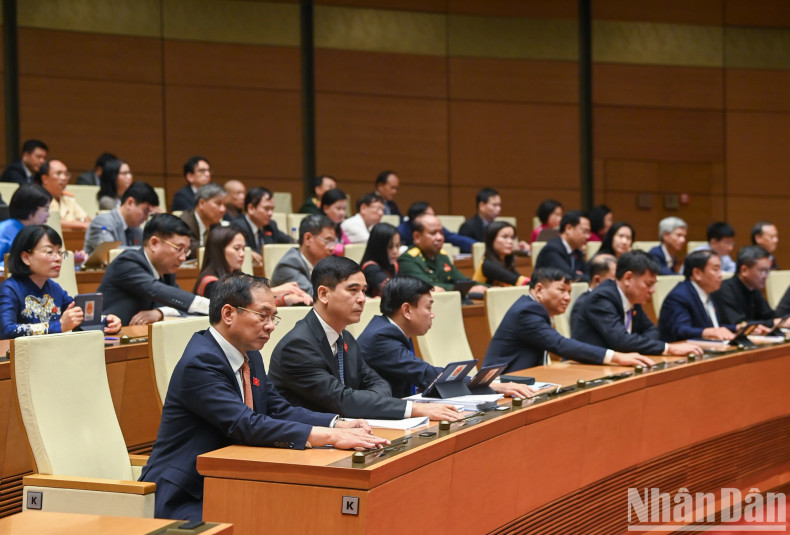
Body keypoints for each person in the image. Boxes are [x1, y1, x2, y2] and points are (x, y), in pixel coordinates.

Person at [140, 273, 386, 521]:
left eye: (273, 317)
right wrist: (330, 437)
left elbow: (278, 409)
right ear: (228, 314)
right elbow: (245, 423)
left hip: (232, 481)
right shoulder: (201, 362)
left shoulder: (251, 355)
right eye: (262, 315)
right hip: (186, 494)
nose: (270, 326)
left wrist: (337, 424)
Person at [269, 256, 461, 421]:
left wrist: (364, 400)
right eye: (353, 290)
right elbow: (343, 401)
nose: (362, 299)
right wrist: (414, 409)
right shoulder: (298, 345)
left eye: (363, 290)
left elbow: (378, 382)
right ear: (324, 294)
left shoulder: (345, 338)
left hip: (348, 431)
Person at [357, 276, 537, 398]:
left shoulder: (393, 330)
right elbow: (424, 373)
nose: (432, 314)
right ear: (407, 310)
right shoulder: (381, 337)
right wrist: (485, 385)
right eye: (428, 307)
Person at [482, 268, 653, 373]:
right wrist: (617, 357)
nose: (567, 298)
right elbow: (559, 344)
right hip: (501, 386)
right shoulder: (527, 311)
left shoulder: (535, 309)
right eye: (561, 290)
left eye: (570, 292)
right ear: (539, 290)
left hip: (524, 383)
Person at [571, 250, 704, 357]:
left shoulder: (632, 299)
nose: (652, 290)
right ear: (628, 278)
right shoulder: (601, 298)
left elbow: (652, 331)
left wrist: (633, 343)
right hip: (588, 368)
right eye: (648, 284)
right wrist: (668, 348)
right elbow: (621, 341)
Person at [0, 225, 121, 339]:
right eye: (49, 252)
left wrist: (107, 321)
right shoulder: (9, 289)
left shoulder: (54, 288)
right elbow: (6, 330)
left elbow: (78, 315)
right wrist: (59, 325)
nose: (58, 258)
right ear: (26, 257)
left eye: (59, 252)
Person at [98, 214, 210, 325]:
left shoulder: (166, 271)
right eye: (179, 249)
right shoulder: (127, 262)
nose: (183, 258)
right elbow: (156, 290)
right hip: (109, 332)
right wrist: (209, 306)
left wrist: (160, 312)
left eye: (186, 251)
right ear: (154, 243)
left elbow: (179, 303)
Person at [194, 225, 312, 306]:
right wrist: (275, 291)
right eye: (236, 248)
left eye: (243, 248)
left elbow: (251, 307)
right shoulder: (208, 282)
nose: (242, 254)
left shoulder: (238, 278)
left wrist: (286, 299)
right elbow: (238, 304)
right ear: (218, 251)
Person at [658, 250, 736, 343]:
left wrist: (737, 328)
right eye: (716, 269)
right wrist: (708, 332)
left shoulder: (710, 292)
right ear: (697, 273)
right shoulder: (679, 296)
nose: (721, 274)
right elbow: (681, 330)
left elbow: (714, 327)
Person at [398, 213, 487, 293]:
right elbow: (426, 287)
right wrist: (465, 289)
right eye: (433, 233)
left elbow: (463, 281)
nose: (440, 238)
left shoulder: (441, 256)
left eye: (441, 233)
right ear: (417, 237)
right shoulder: (407, 259)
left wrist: (489, 288)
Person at [84, 182, 159, 255]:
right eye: (145, 211)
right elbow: (110, 253)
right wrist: (146, 250)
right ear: (130, 203)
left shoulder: (137, 231)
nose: (146, 218)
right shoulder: (102, 222)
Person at [270, 214, 337, 295]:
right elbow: (315, 296)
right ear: (308, 238)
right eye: (328, 241)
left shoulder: (323, 263)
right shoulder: (289, 265)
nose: (332, 248)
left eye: (334, 242)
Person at [711, 245, 776, 327]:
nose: (766, 276)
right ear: (744, 270)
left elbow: (769, 316)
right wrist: (773, 322)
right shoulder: (724, 290)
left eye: (768, 271)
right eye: (762, 271)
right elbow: (739, 324)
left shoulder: (754, 288)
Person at [232, 187, 292, 266]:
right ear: (251, 208)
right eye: (266, 209)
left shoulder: (271, 226)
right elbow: (243, 251)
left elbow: (290, 242)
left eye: (272, 209)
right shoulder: (238, 226)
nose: (271, 213)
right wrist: (249, 252)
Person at [0, 185, 51, 267]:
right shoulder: (3, 230)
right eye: (46, 209)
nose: (48, 215)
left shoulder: (37, 231)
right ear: (31, 209)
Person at [533, 210, 591, 282]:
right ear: (568, 228)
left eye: (589, 232)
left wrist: (577, 275)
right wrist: (577, 275)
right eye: (585, 231)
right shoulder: (551, 250)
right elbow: (569, 277)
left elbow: (589, 276)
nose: (588, 236)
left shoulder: (577, 251)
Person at [397, 201, 475, 254]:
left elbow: (455, 238)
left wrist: (476, 245)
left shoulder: (435, 229)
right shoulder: (401, 232)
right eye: (430, 215)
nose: (438, 237)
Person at [473, 221, 528, 286]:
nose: (510, 241)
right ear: (491, 239)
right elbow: (518, 281)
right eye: (504, 237)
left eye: (512, 237)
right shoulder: (488, 264)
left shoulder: (506, 262)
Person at [39, 159, 90, 230]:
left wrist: (81, 222)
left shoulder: (68, 198)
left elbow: (87, 219)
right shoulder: (38, 198)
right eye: (58, 174)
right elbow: (49, 222)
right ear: (45, 179)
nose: (64, 178)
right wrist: (80, 224)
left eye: (66, 174)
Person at [179, 183, 227, 260]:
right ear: (201, 203)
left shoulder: (216, 224)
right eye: (218, 203)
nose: (223, 210)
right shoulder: (184, 223)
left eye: (225, 205)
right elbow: (195, 252)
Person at [570, 254, 617, 328]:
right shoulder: (583, 304)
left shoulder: (613, 300)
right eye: (614, 280)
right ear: (597, 280)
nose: (618, 284)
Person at [360, 222, 400, 297]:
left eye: (398, 246)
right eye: (390, 247)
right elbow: (391, 287)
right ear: (379, 247)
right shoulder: (370, 268)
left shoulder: (394, 265)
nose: (395, 251)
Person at [320, 188, 351, 254]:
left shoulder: (338, 226)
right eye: (338, 208)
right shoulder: (318, 227)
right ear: (325, 208)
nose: (342, 213)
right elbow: (325, 249)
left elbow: (350, 247)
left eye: (344, 209)